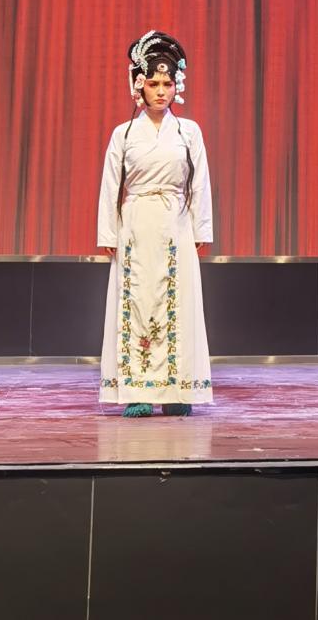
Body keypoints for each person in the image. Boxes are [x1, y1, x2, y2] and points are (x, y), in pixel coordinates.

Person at [98, 30, 214, 416]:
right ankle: (138, 391)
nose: (161, 91)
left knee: (177, 303)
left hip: (175, 223)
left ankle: (178, 391)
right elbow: (111, 184)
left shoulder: (188, 131)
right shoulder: (125, 134)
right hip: (136, 223)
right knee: (136, 302)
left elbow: (199, 182)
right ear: (139, 87)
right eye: (153, 84)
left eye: (167, 84)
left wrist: (200, 228)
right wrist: (108, 232)